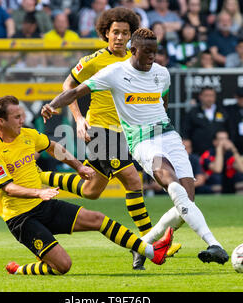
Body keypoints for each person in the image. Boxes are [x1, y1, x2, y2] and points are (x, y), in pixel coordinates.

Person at [42, 28, 229, 267]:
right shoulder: (114, 72)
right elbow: (76, 91)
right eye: (147, 52)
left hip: (169, 136)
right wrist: (52, 105)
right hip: (141, 141)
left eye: (155, 52)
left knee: (187, 203)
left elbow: (163, 103)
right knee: (167, 181)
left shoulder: (162, 74)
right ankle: (214, 244)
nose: (152, 57)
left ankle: (143, 245)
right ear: (133, 50)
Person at [39, 8, 180, 271]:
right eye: (115, 32)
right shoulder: (93, 60)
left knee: (91, 190)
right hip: (100, 130)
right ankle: (152, 242)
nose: (120, 37)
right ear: (106, 33)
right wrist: (79, 119)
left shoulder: (137, 60)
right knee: (133, 180)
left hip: (126, 132)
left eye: (125, 33)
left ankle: (40, 178)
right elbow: (68, 86)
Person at [0, 95, 173, 276]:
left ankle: (151, 252)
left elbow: (53, 147)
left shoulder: (27, 135)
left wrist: (79, 166)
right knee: (63, 266)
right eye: (17, 117)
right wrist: (38, 192)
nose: (22, 120)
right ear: (1, 122)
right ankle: (19, 270)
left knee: (97, 219)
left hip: (44, 205)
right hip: (21, 218)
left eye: (21, 115)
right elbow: (8, 188)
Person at [183, 86, 228, 156]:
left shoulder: (222, 111)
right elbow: (185, 130)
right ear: (200, 96)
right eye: (206, 95)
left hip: (219, 153)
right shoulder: (193, 112)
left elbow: (229, 129)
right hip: (198, 152)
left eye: (212, 95)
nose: (209, 98)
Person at [200, 130, 243, 194]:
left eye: (226, 139)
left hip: (228, 182)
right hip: (211, 184)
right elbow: (218, 170)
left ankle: (242, 201)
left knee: (240, 175)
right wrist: (219, 150)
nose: (224, 141)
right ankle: (216, 201)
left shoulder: (230, 154)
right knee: (216, 176)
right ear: (215, 142)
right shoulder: (208, 154)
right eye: (221, 139)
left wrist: (234, 150)